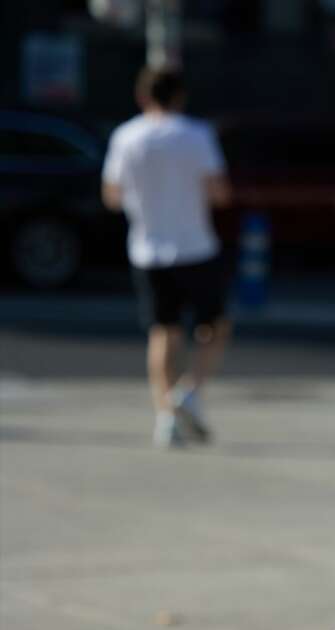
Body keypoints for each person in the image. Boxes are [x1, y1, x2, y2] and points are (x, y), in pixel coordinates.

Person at [102, 66, 233, 448]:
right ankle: (189, 392)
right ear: (180, 97)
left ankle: (165, 418)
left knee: (163, 332)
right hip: (195, 246)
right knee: (215, 326)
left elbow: (111, 196)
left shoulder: (125, 137)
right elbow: (219, 192)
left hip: (146, 248)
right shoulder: (196, 135)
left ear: (142, 96)